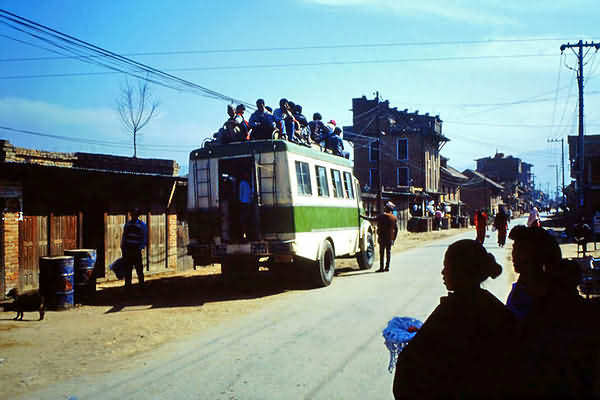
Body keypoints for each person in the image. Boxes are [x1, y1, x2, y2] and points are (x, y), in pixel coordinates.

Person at [393, 239, 515, 399]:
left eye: (447, 267)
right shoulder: (493, 306)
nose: (443, 273)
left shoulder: (453, 310)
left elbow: (410, 370)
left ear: (461, 271)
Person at [505, 225, 562, 321]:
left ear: (536, 254)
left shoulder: (544, 295)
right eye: (514, 248)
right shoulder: (523, 285)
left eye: (520, 250)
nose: (514, 255)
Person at [361, 201, 398, 272]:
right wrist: (394, 239)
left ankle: (381, 268)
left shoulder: (382, 216)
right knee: (388, 252)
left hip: (382, 238)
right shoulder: (394, 218)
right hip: (390, 238)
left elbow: (372, 219)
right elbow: (396, 230)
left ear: (386, 209)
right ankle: (387, 267)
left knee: (382, 253)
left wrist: (362, 217)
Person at [121, 208, 148, 288]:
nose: (133, 216)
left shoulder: (142, 225)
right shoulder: (128, 224)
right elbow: (124, 236)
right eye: (132, 215)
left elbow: (144, 237)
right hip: (128, 249)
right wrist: (123, 247)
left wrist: (141, 247)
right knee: (127, 270)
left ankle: (141, 285)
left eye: (135, 215)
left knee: (139, 269)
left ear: (137, 215)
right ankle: (128, 286)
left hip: (136, 250)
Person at [238, 171, 254, 241]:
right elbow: (241, 193)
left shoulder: (244, 183)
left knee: (244, 220)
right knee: (244, 220)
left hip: (245, 203)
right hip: (245, 203)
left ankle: (245, 235)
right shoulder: (245, 183)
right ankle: (244, 235)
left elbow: (240, 193)